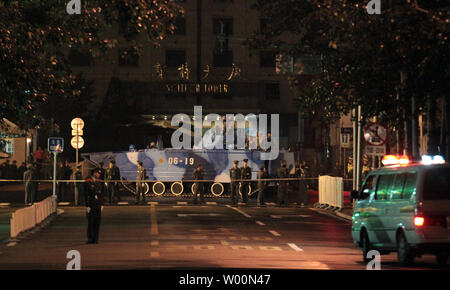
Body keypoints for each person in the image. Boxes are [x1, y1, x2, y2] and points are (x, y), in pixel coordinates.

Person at [85, 169, 103, 244]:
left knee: (97, 222)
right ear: (94, 173)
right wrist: (87, 205)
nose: (99, 175)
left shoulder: (98, 181)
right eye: (98, 173)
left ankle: (96, 238)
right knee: (90, 222)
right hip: (91, 204)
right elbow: (86, 193)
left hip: (98, 204)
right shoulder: (88, 181)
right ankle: (90, 238)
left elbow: (102, 193)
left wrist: (102, 204)